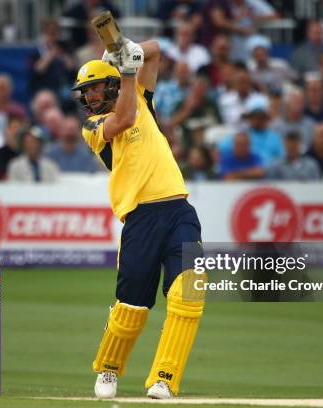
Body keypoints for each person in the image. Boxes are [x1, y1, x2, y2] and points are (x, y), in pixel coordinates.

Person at [72, 39, 204, 400]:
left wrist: (128, 48)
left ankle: (164, 378)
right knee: (132, 306)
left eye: (96, 88)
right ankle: (109, 368)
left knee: (190, 291)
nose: (90, 97)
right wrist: (128, 69)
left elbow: (158, 49)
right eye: (86, 92)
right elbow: (125, 117)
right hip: (141, 219)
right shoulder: (94, 127)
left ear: (111, 83)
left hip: (178, 210)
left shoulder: (143, 96)